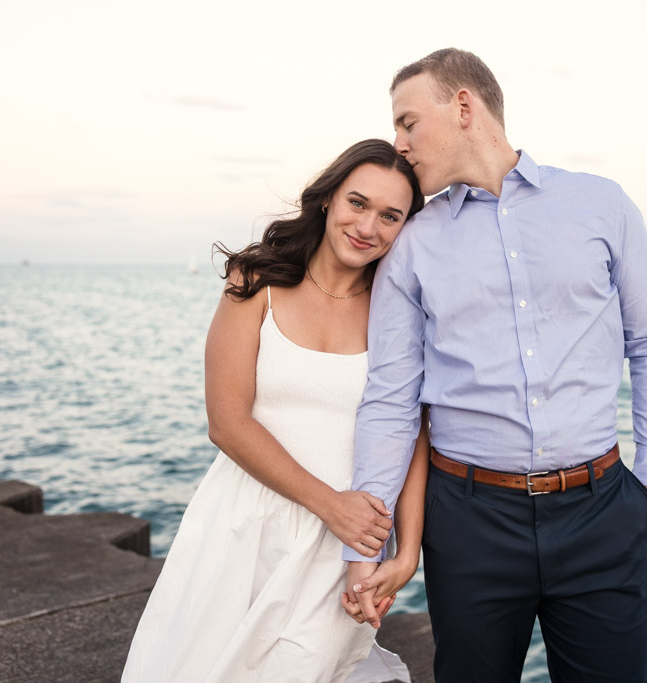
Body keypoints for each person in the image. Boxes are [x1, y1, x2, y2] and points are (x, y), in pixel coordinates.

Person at [344, 49, 647, 682]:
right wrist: (365, 545)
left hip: (601, 514)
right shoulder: (413, 242)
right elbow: (392, 398)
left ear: (464, 106)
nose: (400, 143)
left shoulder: (602, 205)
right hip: (468, 523)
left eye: (408, 122)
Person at [122, 139, 427, 683]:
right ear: (329, 198)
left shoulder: (399, 304)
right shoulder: (255, 279)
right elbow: (227, 421)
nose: (367, 226)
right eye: (357, 203)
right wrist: (330, 504)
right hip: (244, 526)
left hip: (343, 543)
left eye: (390, 215)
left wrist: (406, 548)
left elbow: (413, 430)